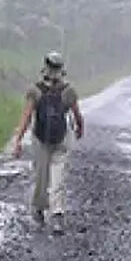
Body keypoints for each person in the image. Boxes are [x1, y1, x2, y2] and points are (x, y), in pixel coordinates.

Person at [12, 51, 84, 234]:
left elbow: (27, 116)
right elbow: (76, 114)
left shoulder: (35, 90)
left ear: (45, 66)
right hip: (62, 138)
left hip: (40, 138)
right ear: (62, 69)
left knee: (41, 176)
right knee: (58, 178)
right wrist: (79, 129)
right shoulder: (68, 90)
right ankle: (57, 215)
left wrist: (18, 140)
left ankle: (39, 209)